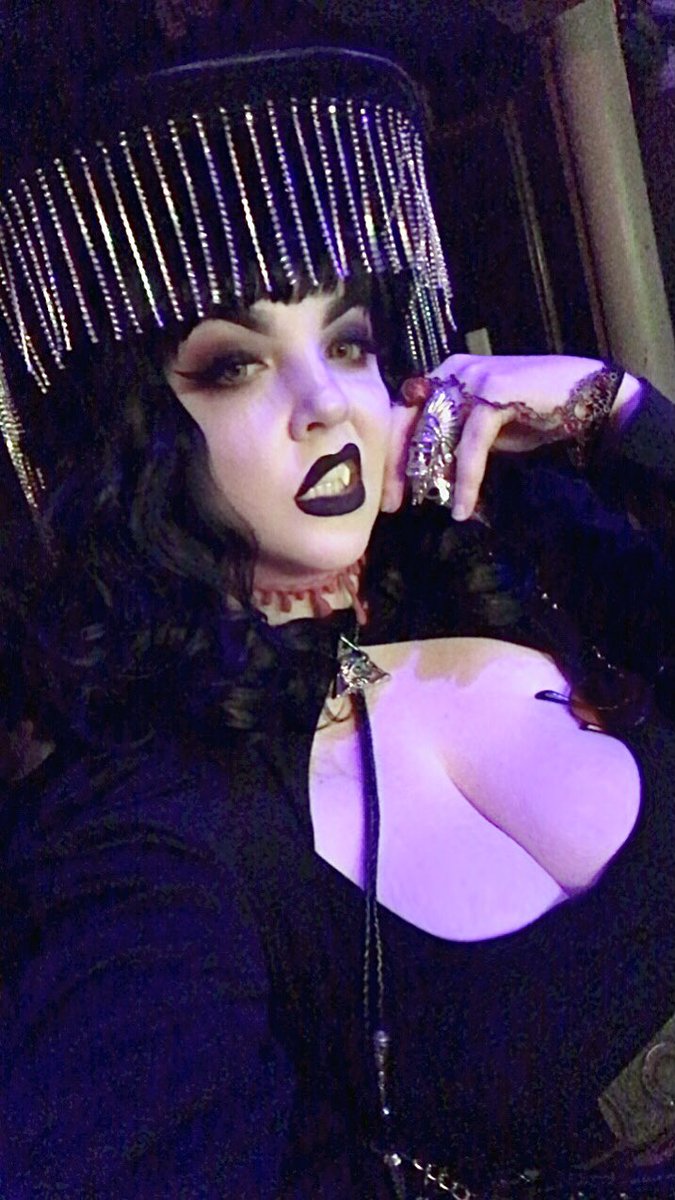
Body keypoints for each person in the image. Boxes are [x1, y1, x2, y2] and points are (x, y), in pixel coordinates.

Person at [2, 37, 675, 1200]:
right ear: (132, 432)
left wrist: (616, 411)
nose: (325, 405)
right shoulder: (150, 825)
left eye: (348, 342)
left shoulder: (515, 545)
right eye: (233, 366)